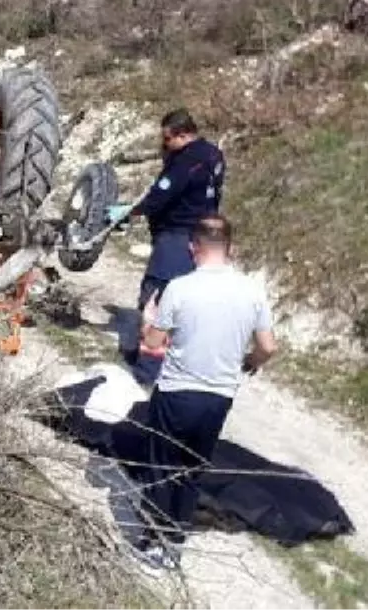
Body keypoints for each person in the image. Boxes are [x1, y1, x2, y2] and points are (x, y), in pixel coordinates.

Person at [128, 214, 277, 572]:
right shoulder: (252, 291)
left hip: (178, 390)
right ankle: (176, 541)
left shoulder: (180, 287)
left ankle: (154, 540)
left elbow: (152, 343)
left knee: (162, 465)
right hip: (219, 397)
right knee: (192, 468)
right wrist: (249, 362)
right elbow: (269, 347)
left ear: (193, 248)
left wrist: (148, 318)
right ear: (231, 248)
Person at [107, 109, 226, 385]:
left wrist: (129, 212)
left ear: (183, 135)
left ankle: (147, 370)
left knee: (155, 300)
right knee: (181, 302)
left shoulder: (187, 161)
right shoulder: (213, 154)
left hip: (176, 235)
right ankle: (166, 360)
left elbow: (160, 195)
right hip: (199, 236)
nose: (164, 145)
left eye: (168, 139)